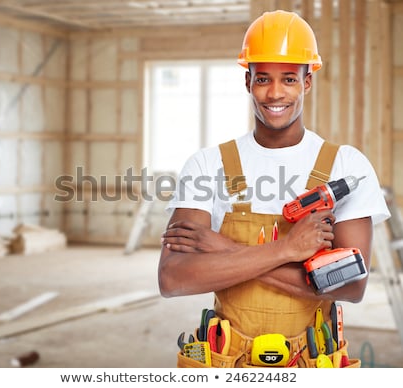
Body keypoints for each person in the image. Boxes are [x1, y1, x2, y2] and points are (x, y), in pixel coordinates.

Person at [158, 10, 390, 368]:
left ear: (307, 81)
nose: (275, 93)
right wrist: (288, 249)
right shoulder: (208, 165)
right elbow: (173, 278)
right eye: (263, 78)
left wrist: (223, 248)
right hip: (228, 360)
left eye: (289, 79)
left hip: (312, 360)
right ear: (247, 81)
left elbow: (351, 287)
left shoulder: (346, 165)